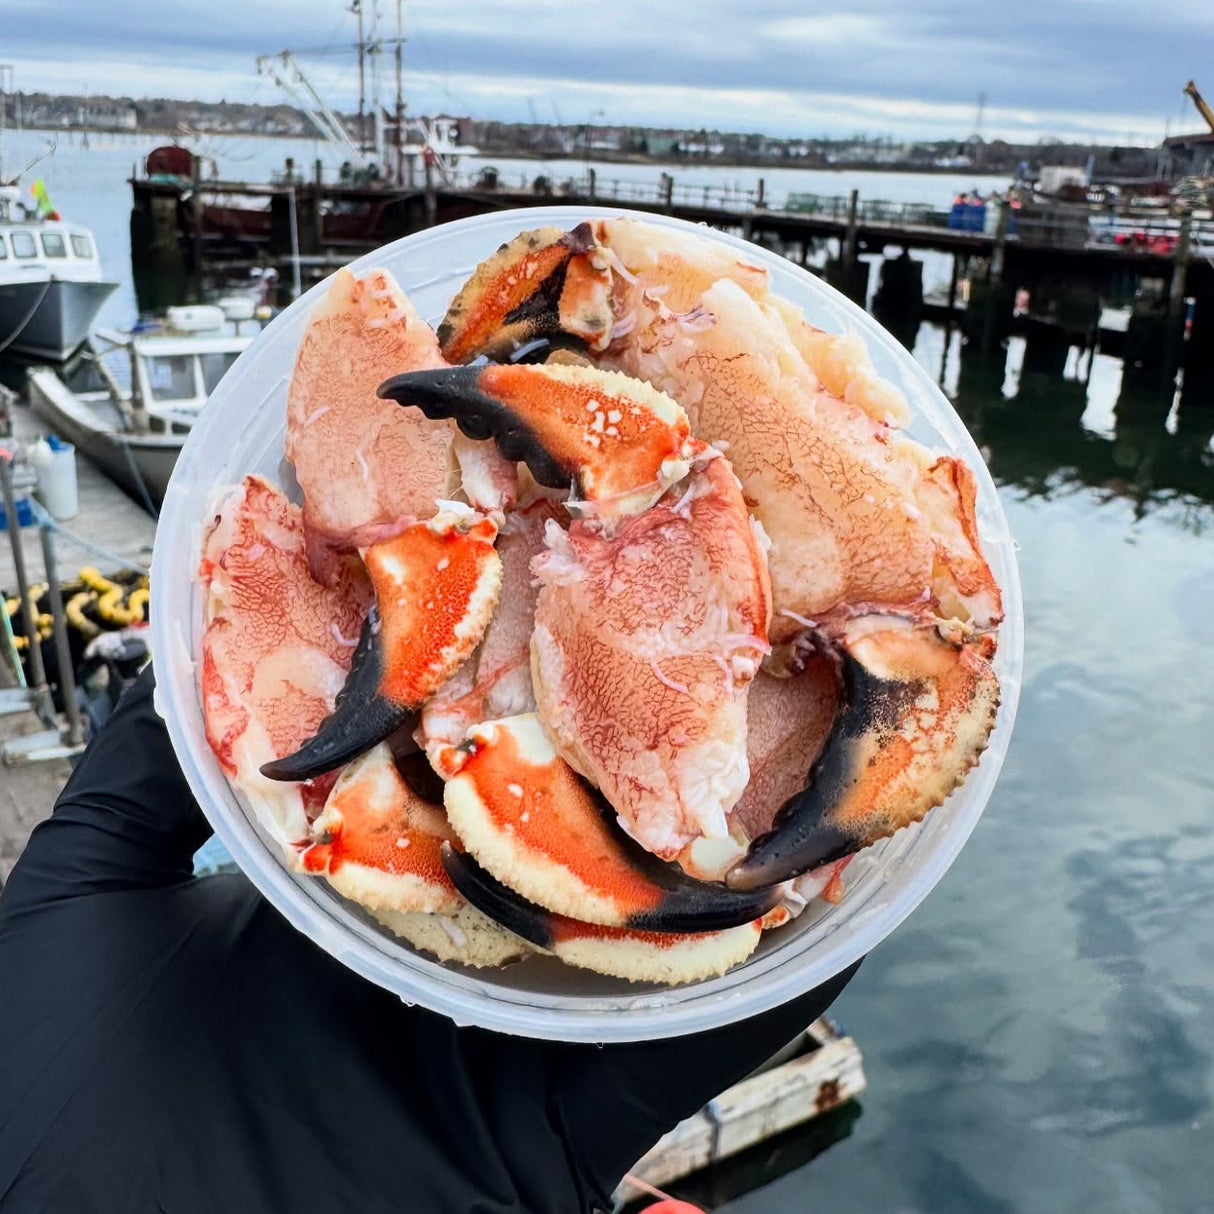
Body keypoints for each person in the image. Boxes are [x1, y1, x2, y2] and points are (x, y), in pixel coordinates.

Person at [0, 670, 859, 1213]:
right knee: (813, 867)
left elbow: (203, 693)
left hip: (489, 1096)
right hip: (495, 1085)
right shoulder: (46, 938)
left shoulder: (50, 939)